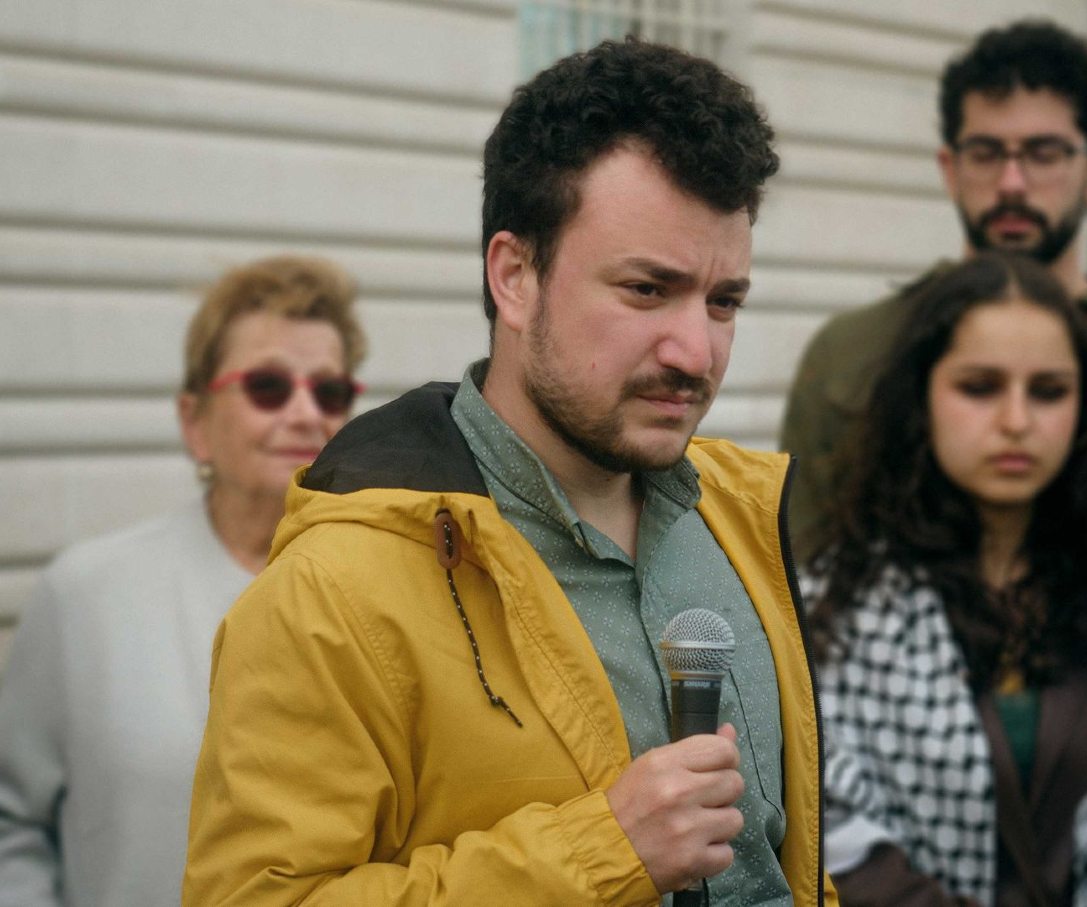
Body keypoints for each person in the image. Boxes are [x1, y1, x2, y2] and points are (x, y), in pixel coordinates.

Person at [182, 38, 836, 907]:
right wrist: (602, 854)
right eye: (647, 289)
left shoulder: (743, 521)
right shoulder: (334, 592)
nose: (696, 350)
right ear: (515, 275)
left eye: (724, 302)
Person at [780, 19, 1087, 664]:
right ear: (951, 170)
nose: (1012, 183)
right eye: (986, 153)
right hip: (881, 720)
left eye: (1043, 153)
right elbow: (793, 589)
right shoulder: (851, 354)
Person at [809, 253, 1087, 906]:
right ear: (921, 396)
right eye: (980, 386)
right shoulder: (834, 607)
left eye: (1049, 390)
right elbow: (821, 818)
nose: (1016, 421)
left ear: (1085, 407)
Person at [0, 255, 367, 907]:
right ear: (195, 421)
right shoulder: (86, 594)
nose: (308, 412)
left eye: (331, 391)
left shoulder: (388, 596)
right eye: (268, 387)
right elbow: (13, 825)